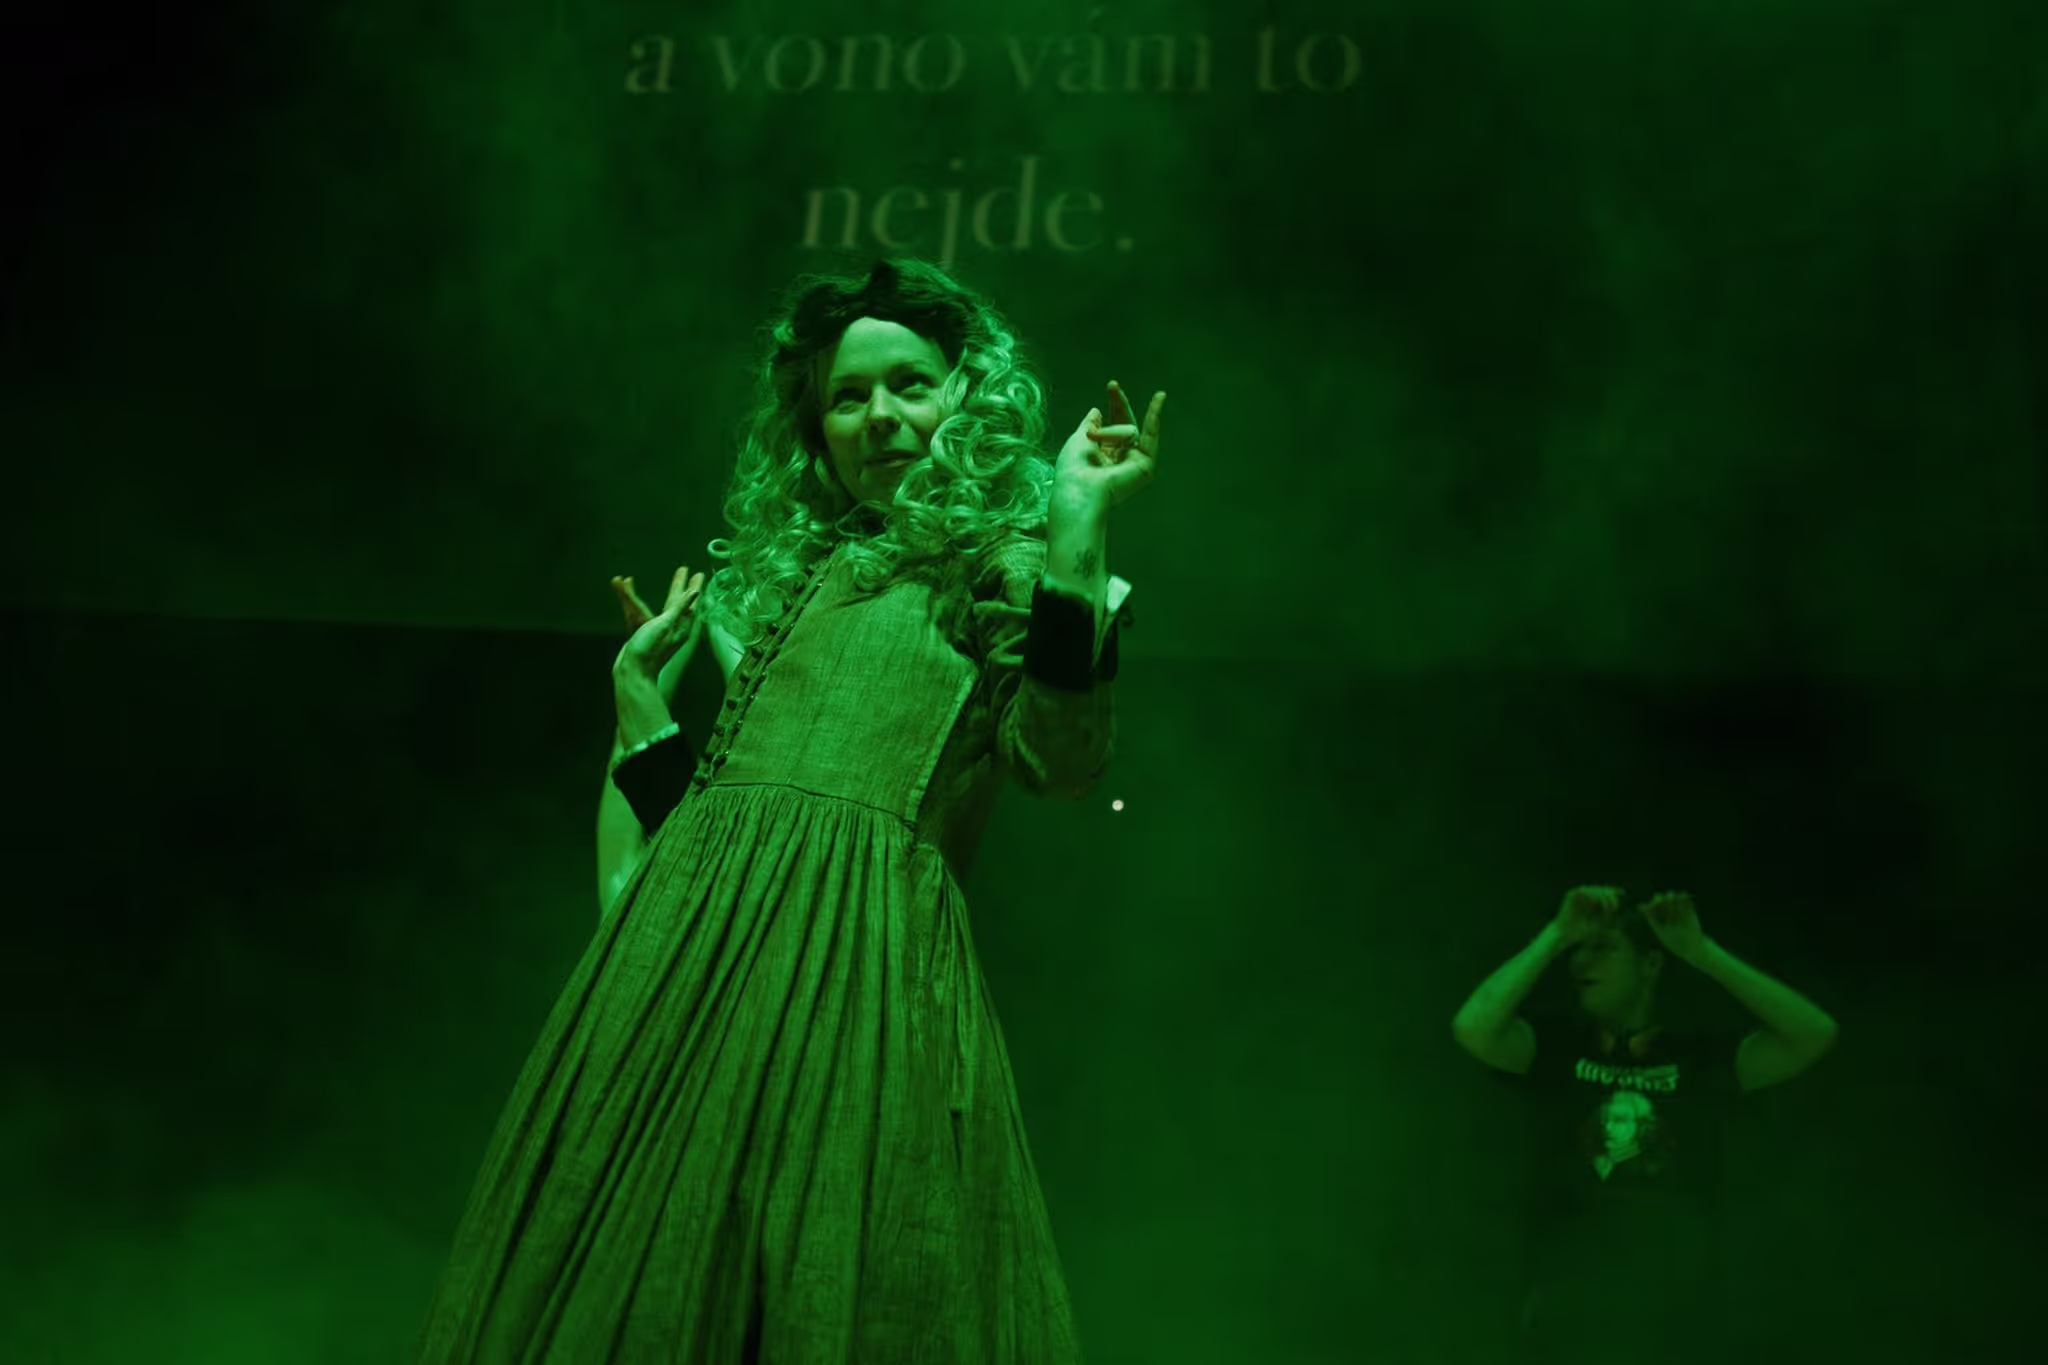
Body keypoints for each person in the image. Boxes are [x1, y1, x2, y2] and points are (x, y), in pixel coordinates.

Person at [416, 257, 1166, 1363]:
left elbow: (1059, 760)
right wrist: (642, 717)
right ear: (816, 430)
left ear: (967, 398)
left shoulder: (1002, 567)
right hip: (680, 976)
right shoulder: (777, 588)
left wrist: (1076, 522)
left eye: (909, 384)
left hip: (854, 969)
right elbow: (704, 836)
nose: (879, 416)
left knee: (832, 1271)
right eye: (847, 397)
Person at [1452, 886, 1843, 1365]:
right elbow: (1473, 1026)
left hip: (1675, 1322)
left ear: (1651, 964)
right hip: (1571, 1318)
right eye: (1579, 951)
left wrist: (1701, 952)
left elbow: (1814, 1033)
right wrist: (1557, 934)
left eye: (1603, 948)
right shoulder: (1557, 1048)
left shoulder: (1698, 1059)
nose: (1582, 963)